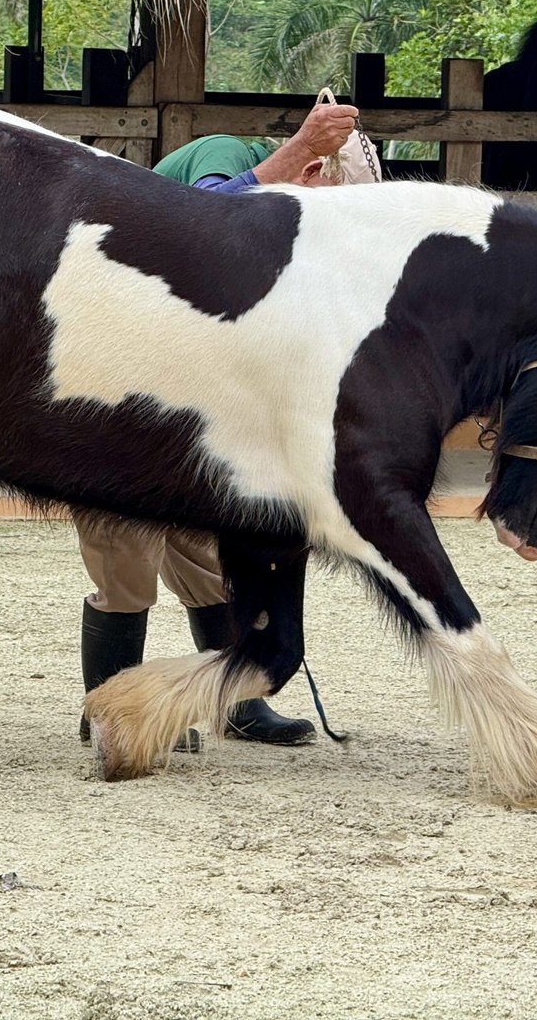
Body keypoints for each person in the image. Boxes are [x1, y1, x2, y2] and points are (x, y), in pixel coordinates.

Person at [78, 99, 361, 750]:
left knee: (205, 551)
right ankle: (117, 712)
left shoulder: (282, 231)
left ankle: (232, 701)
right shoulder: (227, 153)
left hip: (178, 390)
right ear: (309, 164)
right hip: (109, 374)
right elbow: (207, 218)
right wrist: (299, 150)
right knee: (123, 550)